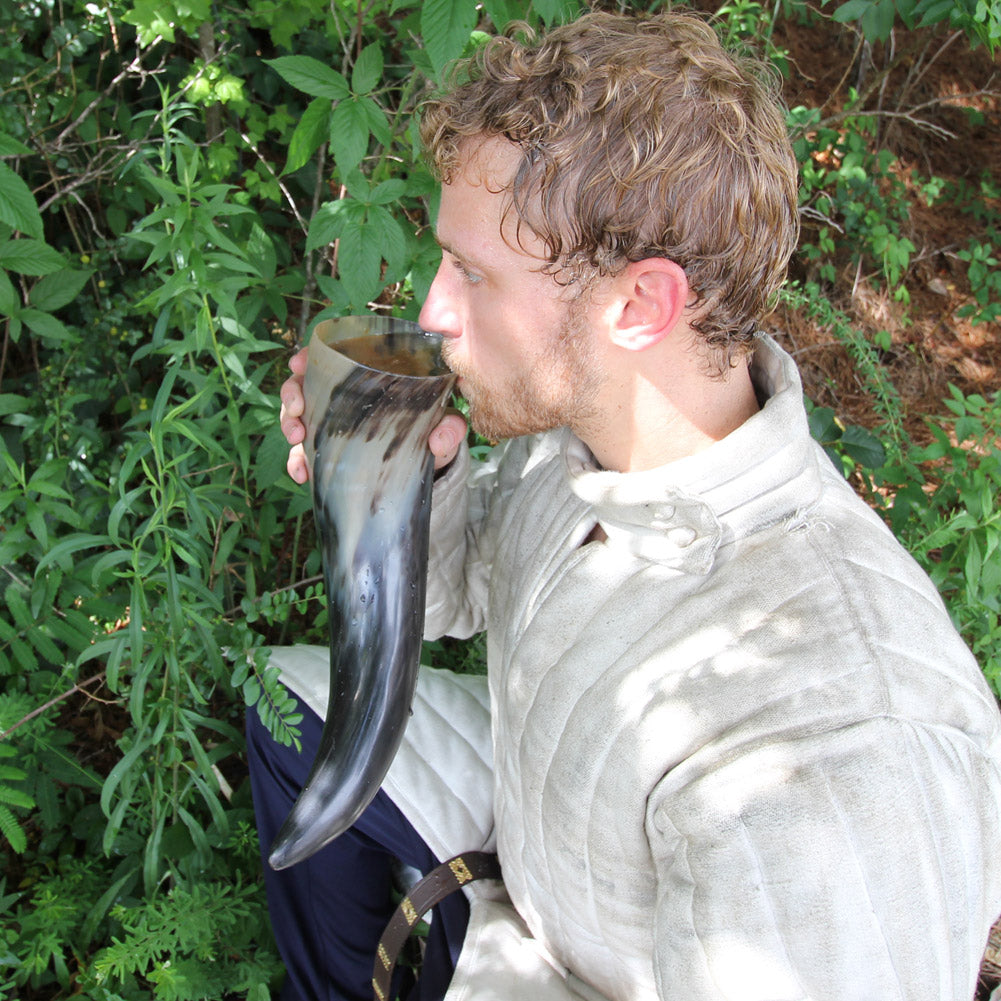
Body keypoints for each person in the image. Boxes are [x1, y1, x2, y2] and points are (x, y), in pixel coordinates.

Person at [251, 10, 1001, 1001]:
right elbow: (456, 596)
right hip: (546, 820)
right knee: (287, 707)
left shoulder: (833, 739)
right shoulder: (581, 435)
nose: (430, 312)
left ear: (639, 305)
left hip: (598, 965)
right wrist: (400, 483)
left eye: (472, 272)